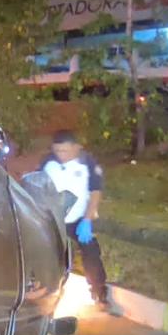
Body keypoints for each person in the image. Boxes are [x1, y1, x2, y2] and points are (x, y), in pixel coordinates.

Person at [41, 130, 112, 313]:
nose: (60, 155)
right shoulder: (48, 163)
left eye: (64, 151)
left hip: (79, 220)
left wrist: (87, 220)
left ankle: (99, 291)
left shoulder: (87, 162)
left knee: (90, 251)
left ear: (75, 147)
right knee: (47, 255)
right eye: (57, 150)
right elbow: (37, 185)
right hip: (52, 219)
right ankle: (45, 291)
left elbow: (95, 191)